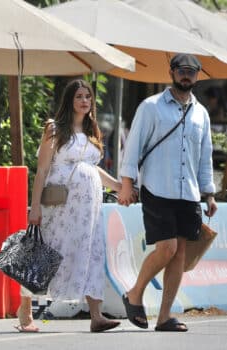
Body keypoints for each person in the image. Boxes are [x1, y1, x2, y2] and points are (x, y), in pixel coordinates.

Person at [118, 54, 217, 332]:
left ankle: (164, 317)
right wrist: (127, 183)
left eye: (192, 72)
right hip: (157, 188)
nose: (186, 75)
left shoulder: (201, 114)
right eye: (182, 70)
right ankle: (134, 293)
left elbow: (204, 157)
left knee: (180, 254)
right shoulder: (151, 107)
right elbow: (133, 146)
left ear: (197, 76)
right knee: (168, 248)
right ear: (172, 72)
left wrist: (208, 194)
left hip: (189, 193)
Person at [15, 79, 121, 333]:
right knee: (46, 253)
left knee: (92, 254)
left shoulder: (92, 130)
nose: (85, 100)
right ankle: (25, 308)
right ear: (69, 101)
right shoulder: (54, 128)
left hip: (88, 212)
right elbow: (41, 170)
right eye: (79, 96)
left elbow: (92, 169)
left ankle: (96, 315)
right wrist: (35, 207)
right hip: (60, 206)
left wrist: (119, 186)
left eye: (88, 97)